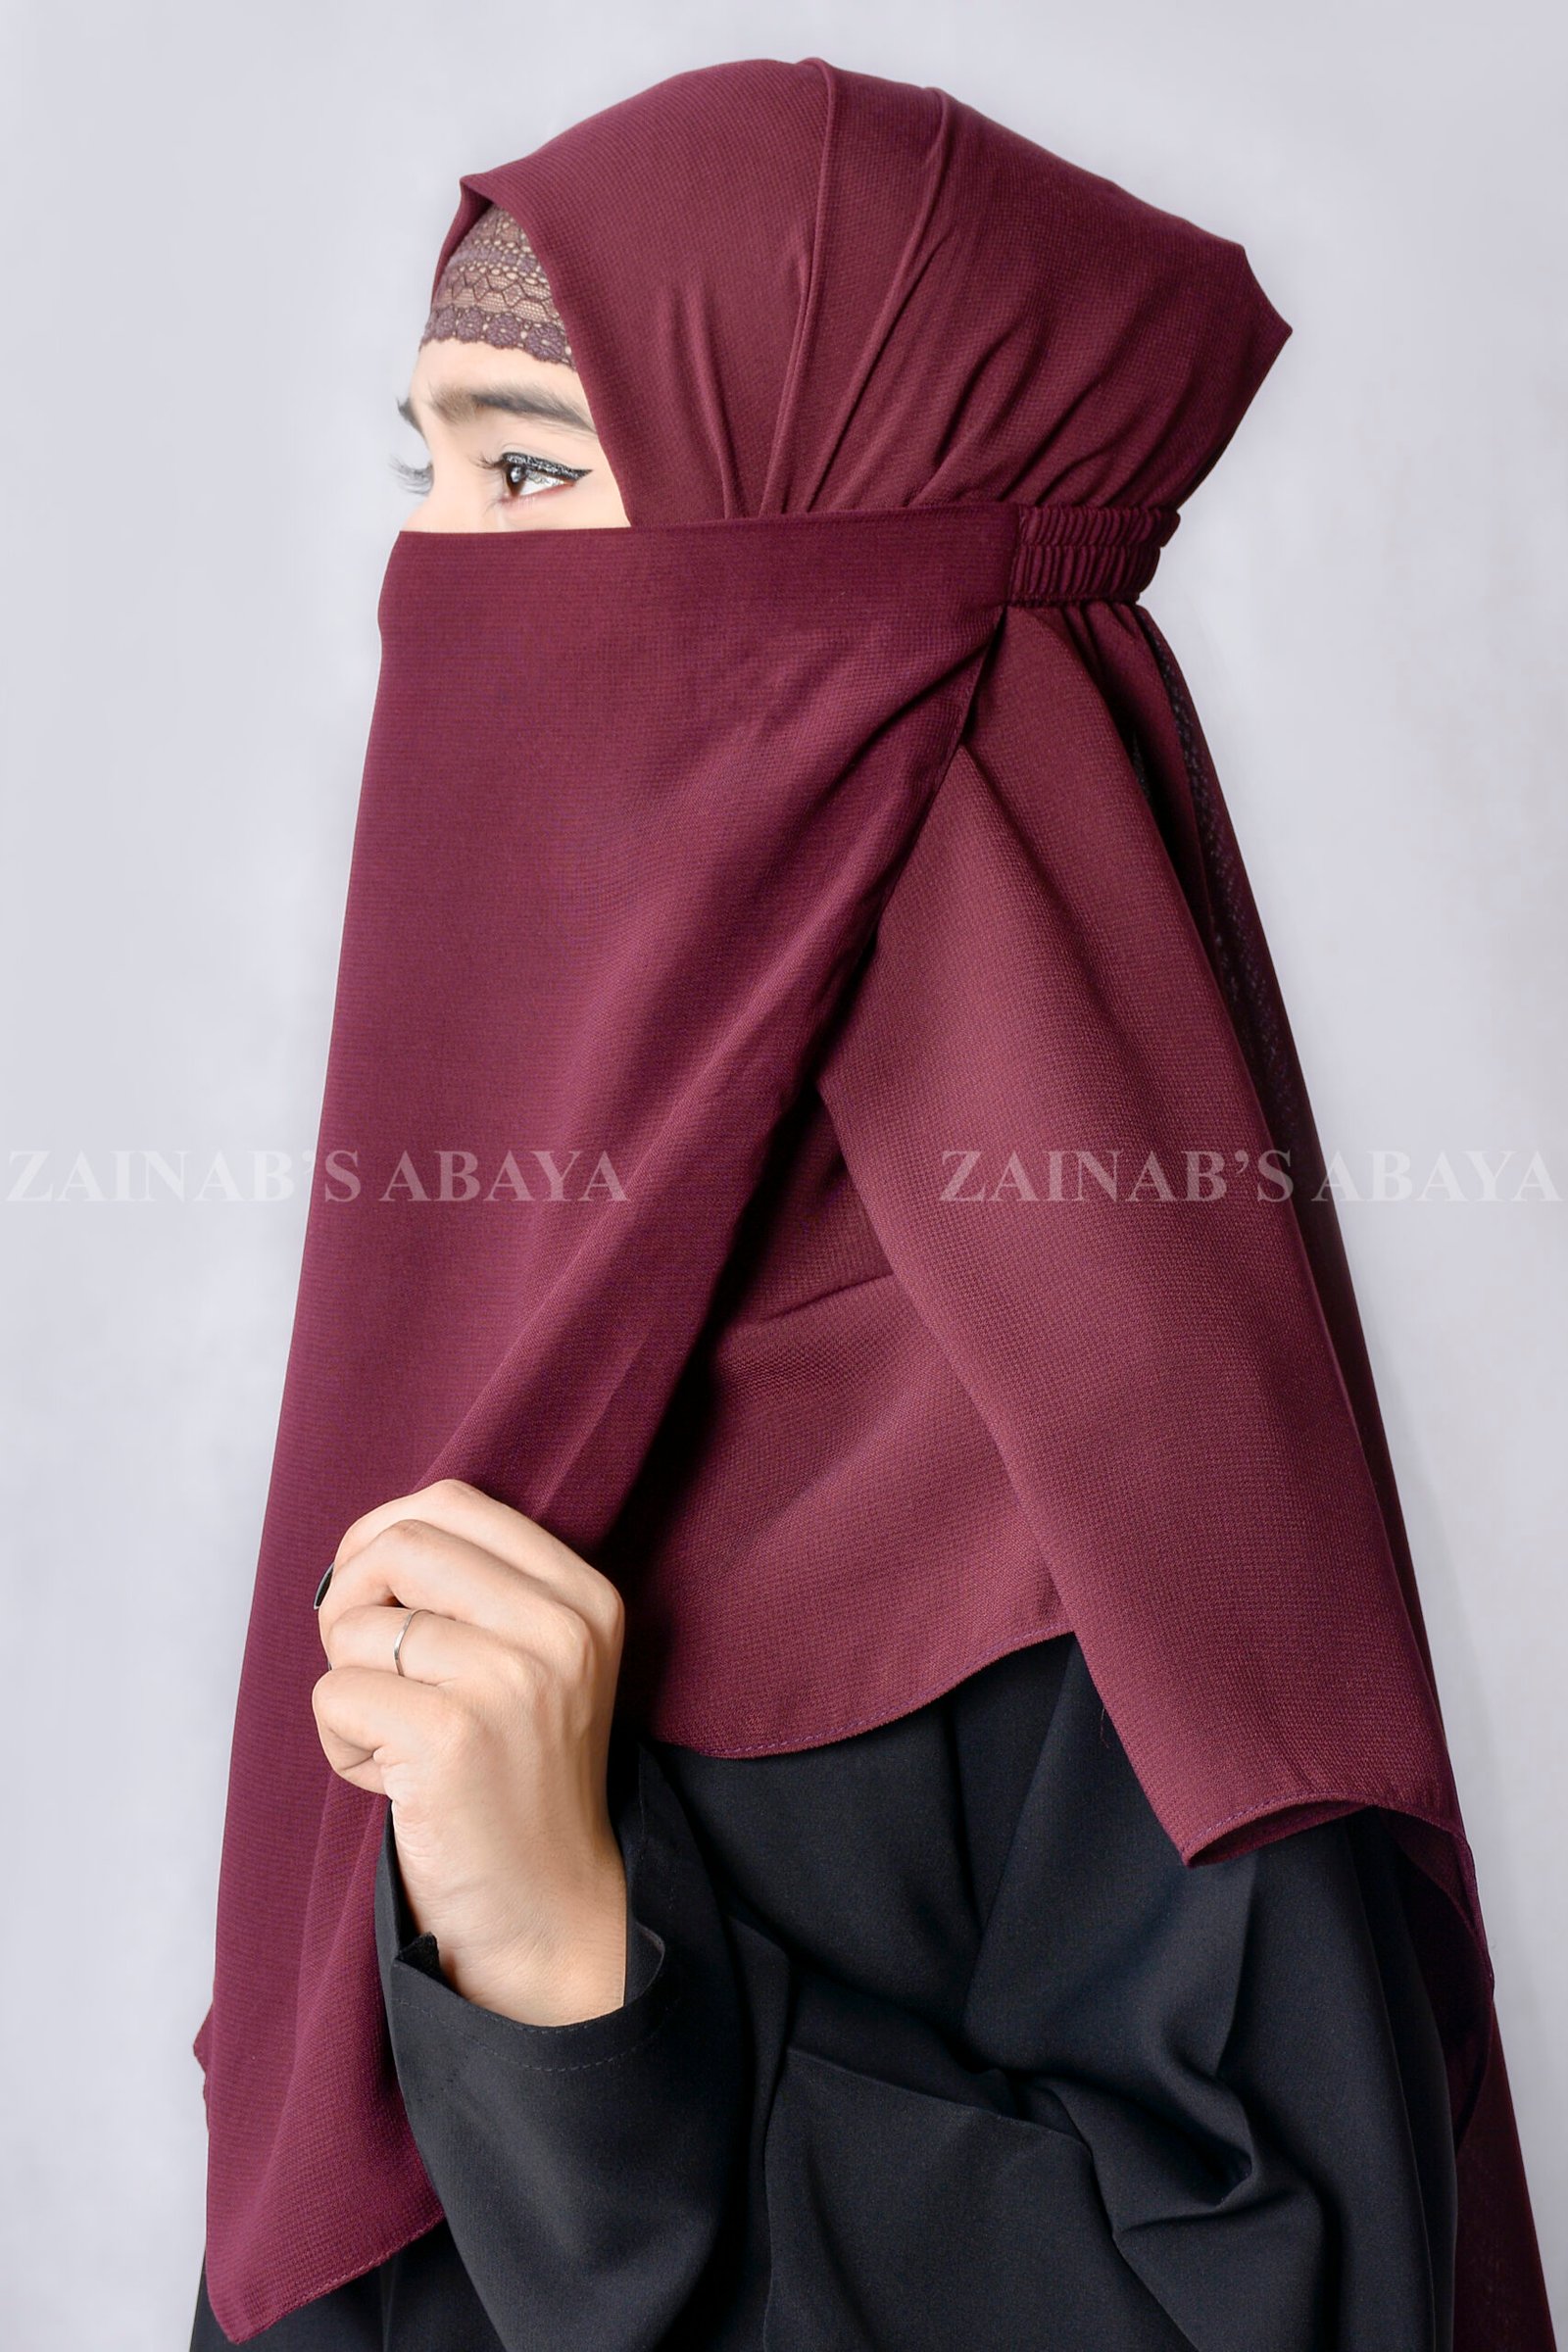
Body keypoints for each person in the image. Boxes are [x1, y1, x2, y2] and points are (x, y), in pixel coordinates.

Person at [188, 58, 1555, 2352]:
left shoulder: (1096, 1437)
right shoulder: (529, 1282)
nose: (436, 587)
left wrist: (566, 1983)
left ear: (839, 598)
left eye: (529, 471)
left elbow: (1281, 2293)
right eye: (427, 474)